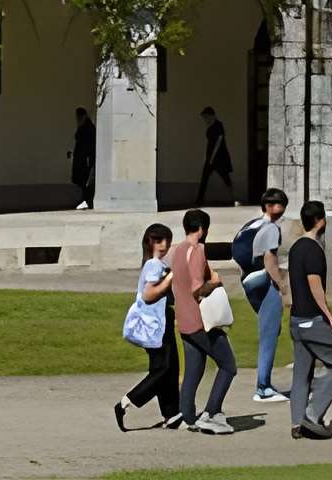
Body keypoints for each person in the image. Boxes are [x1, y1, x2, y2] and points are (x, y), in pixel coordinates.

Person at [284, 199, 332, 440]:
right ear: (321, 220)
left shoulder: (296, 248)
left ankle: (297, 423)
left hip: (297, 321)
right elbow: (315, 287)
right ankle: (312, 416)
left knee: (302, 372)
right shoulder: (313, 249)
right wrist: (330, 317)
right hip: (312, 320)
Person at [170, 207, 239, 435]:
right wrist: (216, 282)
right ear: (201, 229)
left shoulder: (178, 250)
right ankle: (211, 413)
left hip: (184, 320)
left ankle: (187, 416)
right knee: (228, 365)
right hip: (201, 322)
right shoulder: (197, 250)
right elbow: (197, 289)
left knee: (194, 369)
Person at [116, 221, 181, 433]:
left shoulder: (153, 264)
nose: (163, 245)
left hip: (156, 323)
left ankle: (171, 414)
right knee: (165, 368)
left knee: (165, 369)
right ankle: (127, 401)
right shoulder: (154, 265)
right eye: (158, 240)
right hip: (156, 326)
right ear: (149, 242)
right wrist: (172, 276)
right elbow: (149, 294)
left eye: (166, 241)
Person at [242, 186, 291, 402]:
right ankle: (263, 386)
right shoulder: (271, 229)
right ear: (270, 206)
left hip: (250, 280)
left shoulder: (252, 225)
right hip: (266, 282)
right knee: (270, 333)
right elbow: (270, 261)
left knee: (267, 331)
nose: (282, 210)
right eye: (280, 205)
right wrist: (282, 285)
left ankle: (264, 384)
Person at [199, 105, 237, 201]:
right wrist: (209, 157)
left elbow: (219, 141)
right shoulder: (210, 126)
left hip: (220, 157)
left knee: (226, 177)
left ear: (211, 115)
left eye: (206, 117)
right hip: (210, 156)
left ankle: (233, 199)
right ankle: (199, 200)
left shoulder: (218, 125)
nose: (205, 119)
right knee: (204, 178)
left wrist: (212, 157)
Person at [72, 107, 98, 210]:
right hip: (82, 159)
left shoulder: (88, 129)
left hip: (86, 160)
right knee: (83, 181)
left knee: (86, 181)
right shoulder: (84, 127)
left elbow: (88, 146)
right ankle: (86, 200)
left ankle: (88, 200)